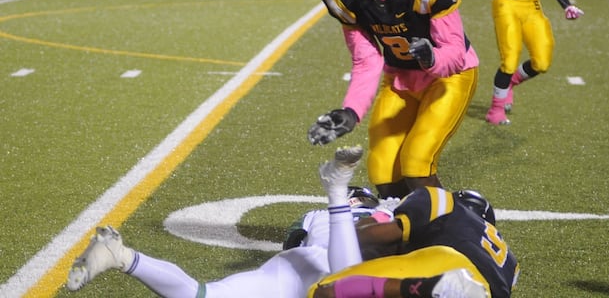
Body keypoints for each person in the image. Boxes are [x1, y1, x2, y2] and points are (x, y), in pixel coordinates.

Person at [307, 0, 480, 199]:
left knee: (416, 163)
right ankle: (407, 230)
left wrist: (431, 56)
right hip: (400, 79)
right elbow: (366, 60)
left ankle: (453, 231)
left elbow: (454, 50)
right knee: (383, 171)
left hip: (448, 78)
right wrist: (350, 112)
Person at [65, 154, 383, 297]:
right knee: (351, 280)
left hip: (298, 267)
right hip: (346, 273)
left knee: (203, 295)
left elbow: (293, 241)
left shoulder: (316, 215)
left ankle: (121, 256)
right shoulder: (390, 211)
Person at [309, 147, 519, 298]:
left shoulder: (442, 201)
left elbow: (364, 239)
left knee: (324, 289)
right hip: (489, 291)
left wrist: (378, 217)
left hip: (451, 270)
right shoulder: (510, 262)